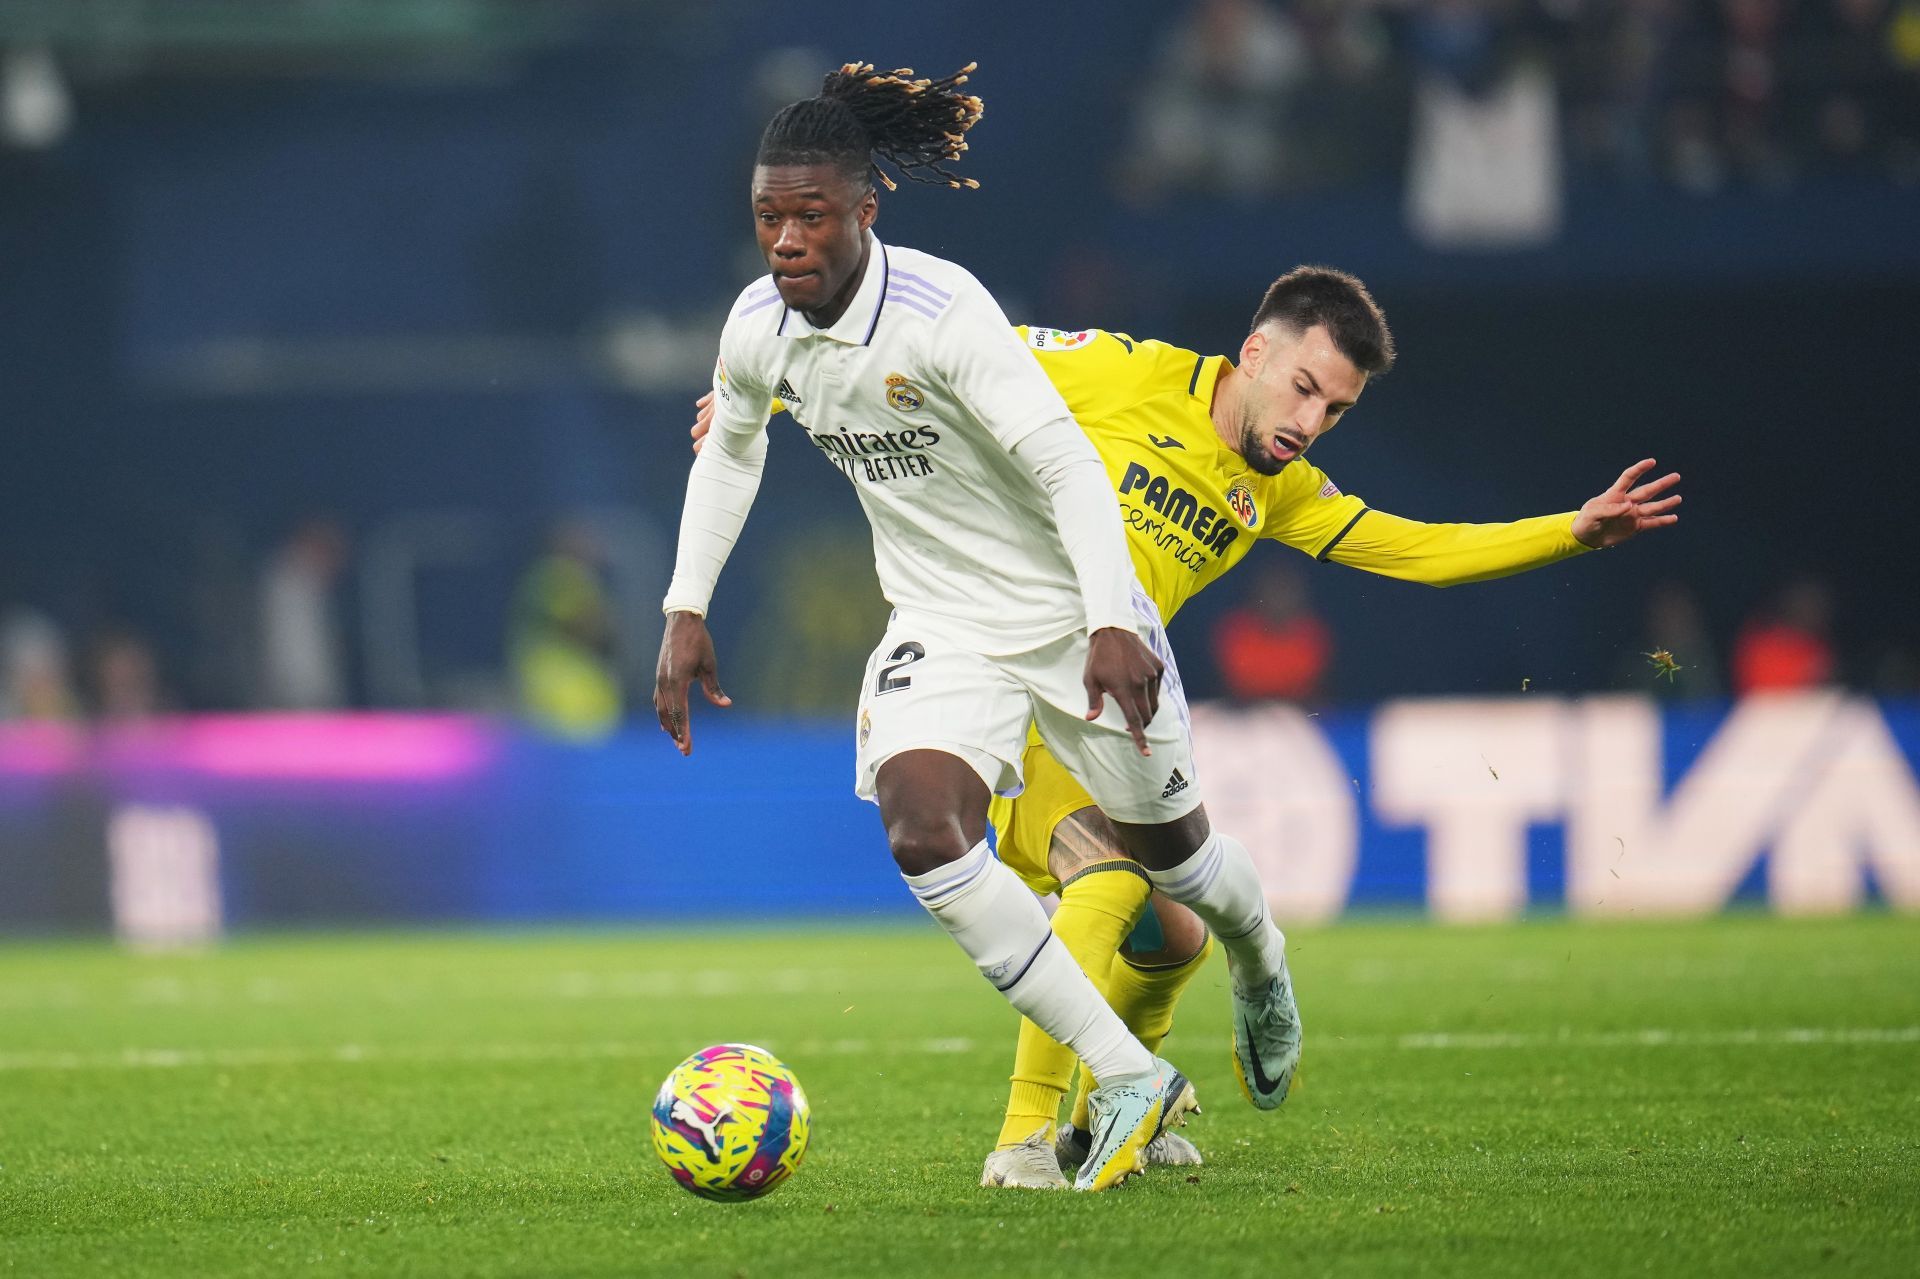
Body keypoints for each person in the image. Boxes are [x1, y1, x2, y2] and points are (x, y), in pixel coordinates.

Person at [693, 267, 1685, 1188]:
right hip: (1015, 655)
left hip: (1121, 689)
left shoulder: (1281, 488)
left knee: (1172, 936)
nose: (1310, 422)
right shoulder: (1115, 369)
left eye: (1334, 409)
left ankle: (1128, 1104)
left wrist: (1570, 530)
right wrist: (772, 395)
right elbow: (938, 351)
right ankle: (1029, 1136)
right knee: (1106, 870)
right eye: (1302, 388)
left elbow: (1414, 550)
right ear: (1255, 351)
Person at [654, 62, 1306, 1192]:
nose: (786, 241)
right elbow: (736, 443)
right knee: (921, 825)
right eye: (769, 216)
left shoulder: (943, 314)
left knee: (1181, 865)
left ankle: (1262, 959)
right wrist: (685, 606)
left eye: (811, 216)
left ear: (866, 210)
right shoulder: (759, 323)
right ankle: (1125, 1074)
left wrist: (1111, 621)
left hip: (1072, 611)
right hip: (942, 620)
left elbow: (1063, 463)